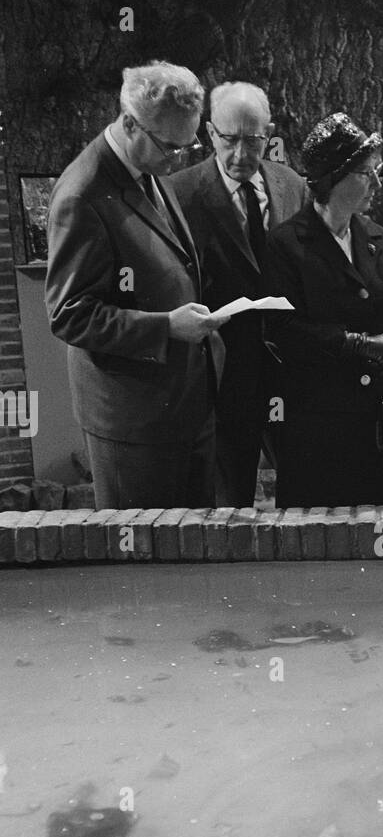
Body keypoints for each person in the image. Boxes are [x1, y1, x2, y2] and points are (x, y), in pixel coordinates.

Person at [45, 61, 226, 510]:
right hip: (135, 425)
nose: (177, 159)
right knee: (146, 562)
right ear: (129, 122)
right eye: (170, 147)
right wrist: (165, 326)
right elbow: (70, 315)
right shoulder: (82, 195)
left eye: (189, 147)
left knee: (193, 558)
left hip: (183, 407)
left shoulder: (148, 168)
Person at [264, 113, 383, 508]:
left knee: (380, 529)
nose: (377, 183)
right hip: (315, 422)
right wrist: (358, 343)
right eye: (367, 174)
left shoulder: (379, 238)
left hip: (375, 420)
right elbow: (281, 327)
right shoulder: (286, 244)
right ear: (333, 179)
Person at [172, 82, 309, 507]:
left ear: (269, 134)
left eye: (253, 141)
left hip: (289, 370)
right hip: (223, 374)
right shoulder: (178, 193)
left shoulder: (290, 185)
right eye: (229, 140)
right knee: (231, 504)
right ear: (211, 133)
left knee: (304, 492)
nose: (241, 154)